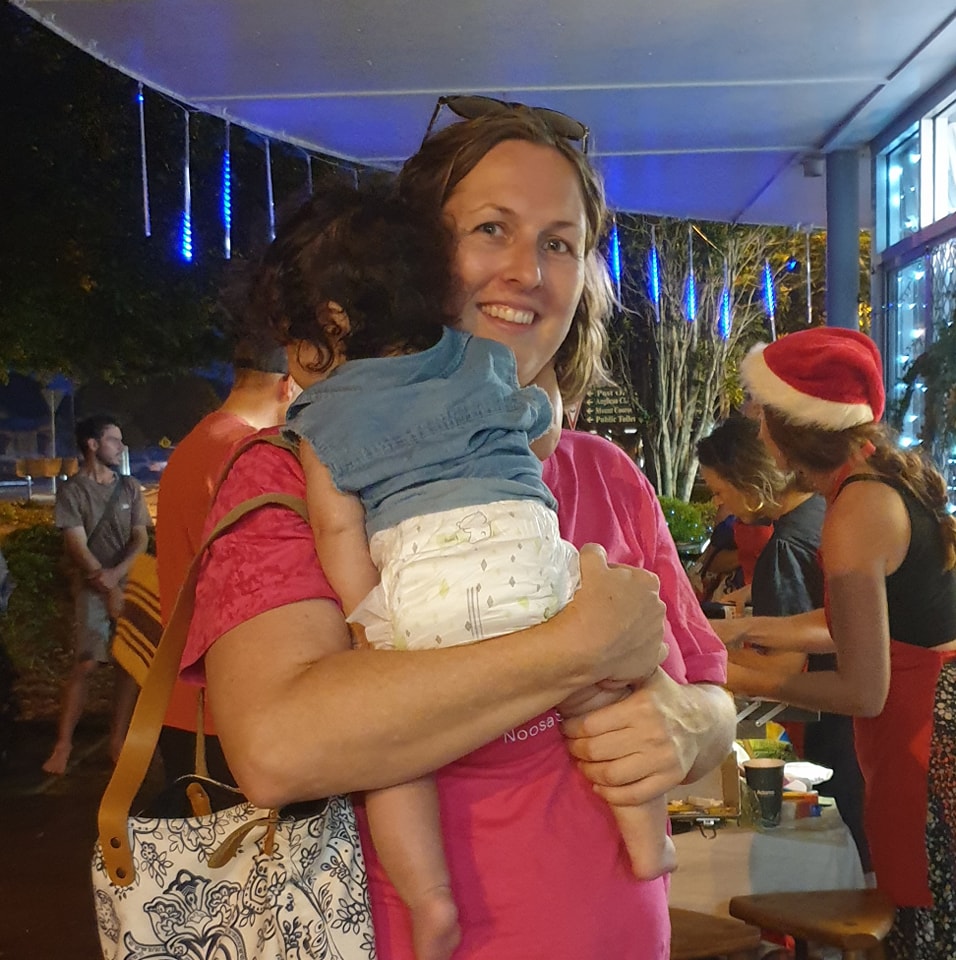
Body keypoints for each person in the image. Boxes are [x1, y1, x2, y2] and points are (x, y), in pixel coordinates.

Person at [181, 102, 735, 960]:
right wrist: (573, 648)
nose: (530, 272)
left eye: (560, 243)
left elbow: (708, 692)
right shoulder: (291, 470)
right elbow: (279, 747)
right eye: (491, 229)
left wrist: (696, 727)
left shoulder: (605, 474)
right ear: (416, 253)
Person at [273, 182, 674, 960]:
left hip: (422, 586)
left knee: (394, 756)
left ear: (328, 321)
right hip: (527, 555)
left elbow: (335, 522)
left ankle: (431, 902)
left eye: (560, 243)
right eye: (493, 229)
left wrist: (369, 611)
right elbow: (539, 430)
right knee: (603, 690)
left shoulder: (318, 418)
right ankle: (647, 836)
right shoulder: (483, 363)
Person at [732, 326, 956, 959]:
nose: (756, 424)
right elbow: (859, 626)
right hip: (932, 721)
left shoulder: (854, 510)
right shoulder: (882, 483)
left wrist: (736, 675)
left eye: (760, 410)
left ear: (790, 425)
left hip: (923, 744)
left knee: (926, 934)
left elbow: (862, 686)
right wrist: (741, 630)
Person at [697, 415, 870, 871]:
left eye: (719, 492)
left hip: (836, 739)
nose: (724, 508)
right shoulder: (821, 513)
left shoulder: (786, 547)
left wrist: (710, 667)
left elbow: (784, 672)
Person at [155, 337, 300, 787]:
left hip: (184, 703)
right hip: (226, 713)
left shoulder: (196, 444)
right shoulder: (247, 456)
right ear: (287, 385)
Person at [42, 414, 150, 775]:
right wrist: (104, 584)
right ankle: (63, 744)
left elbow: (141, 538)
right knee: (86, 663)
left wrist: (117, 579)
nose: (121, 448)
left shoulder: (130, 487)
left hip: (127, 585)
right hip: (92, 588)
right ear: (92, 444)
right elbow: (76, 545)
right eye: (114, 440)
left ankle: (117, 742)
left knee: (128, 666)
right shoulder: (72, 491)